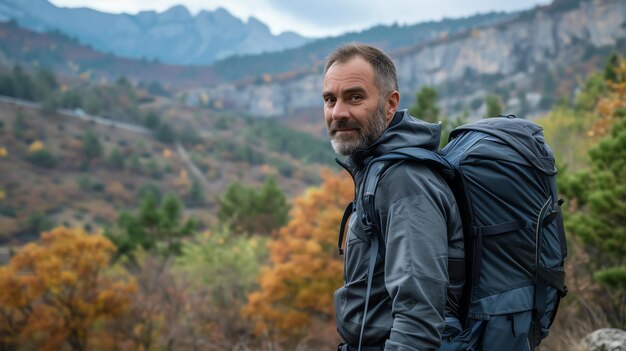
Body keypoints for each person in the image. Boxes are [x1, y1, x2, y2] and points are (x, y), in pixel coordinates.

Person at [323, 43, 465, 350]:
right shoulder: (377, 170)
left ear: (391, 104)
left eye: (355, 97)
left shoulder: (404, 181)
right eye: (330, 99)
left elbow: (419, 319)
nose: (338, 112)